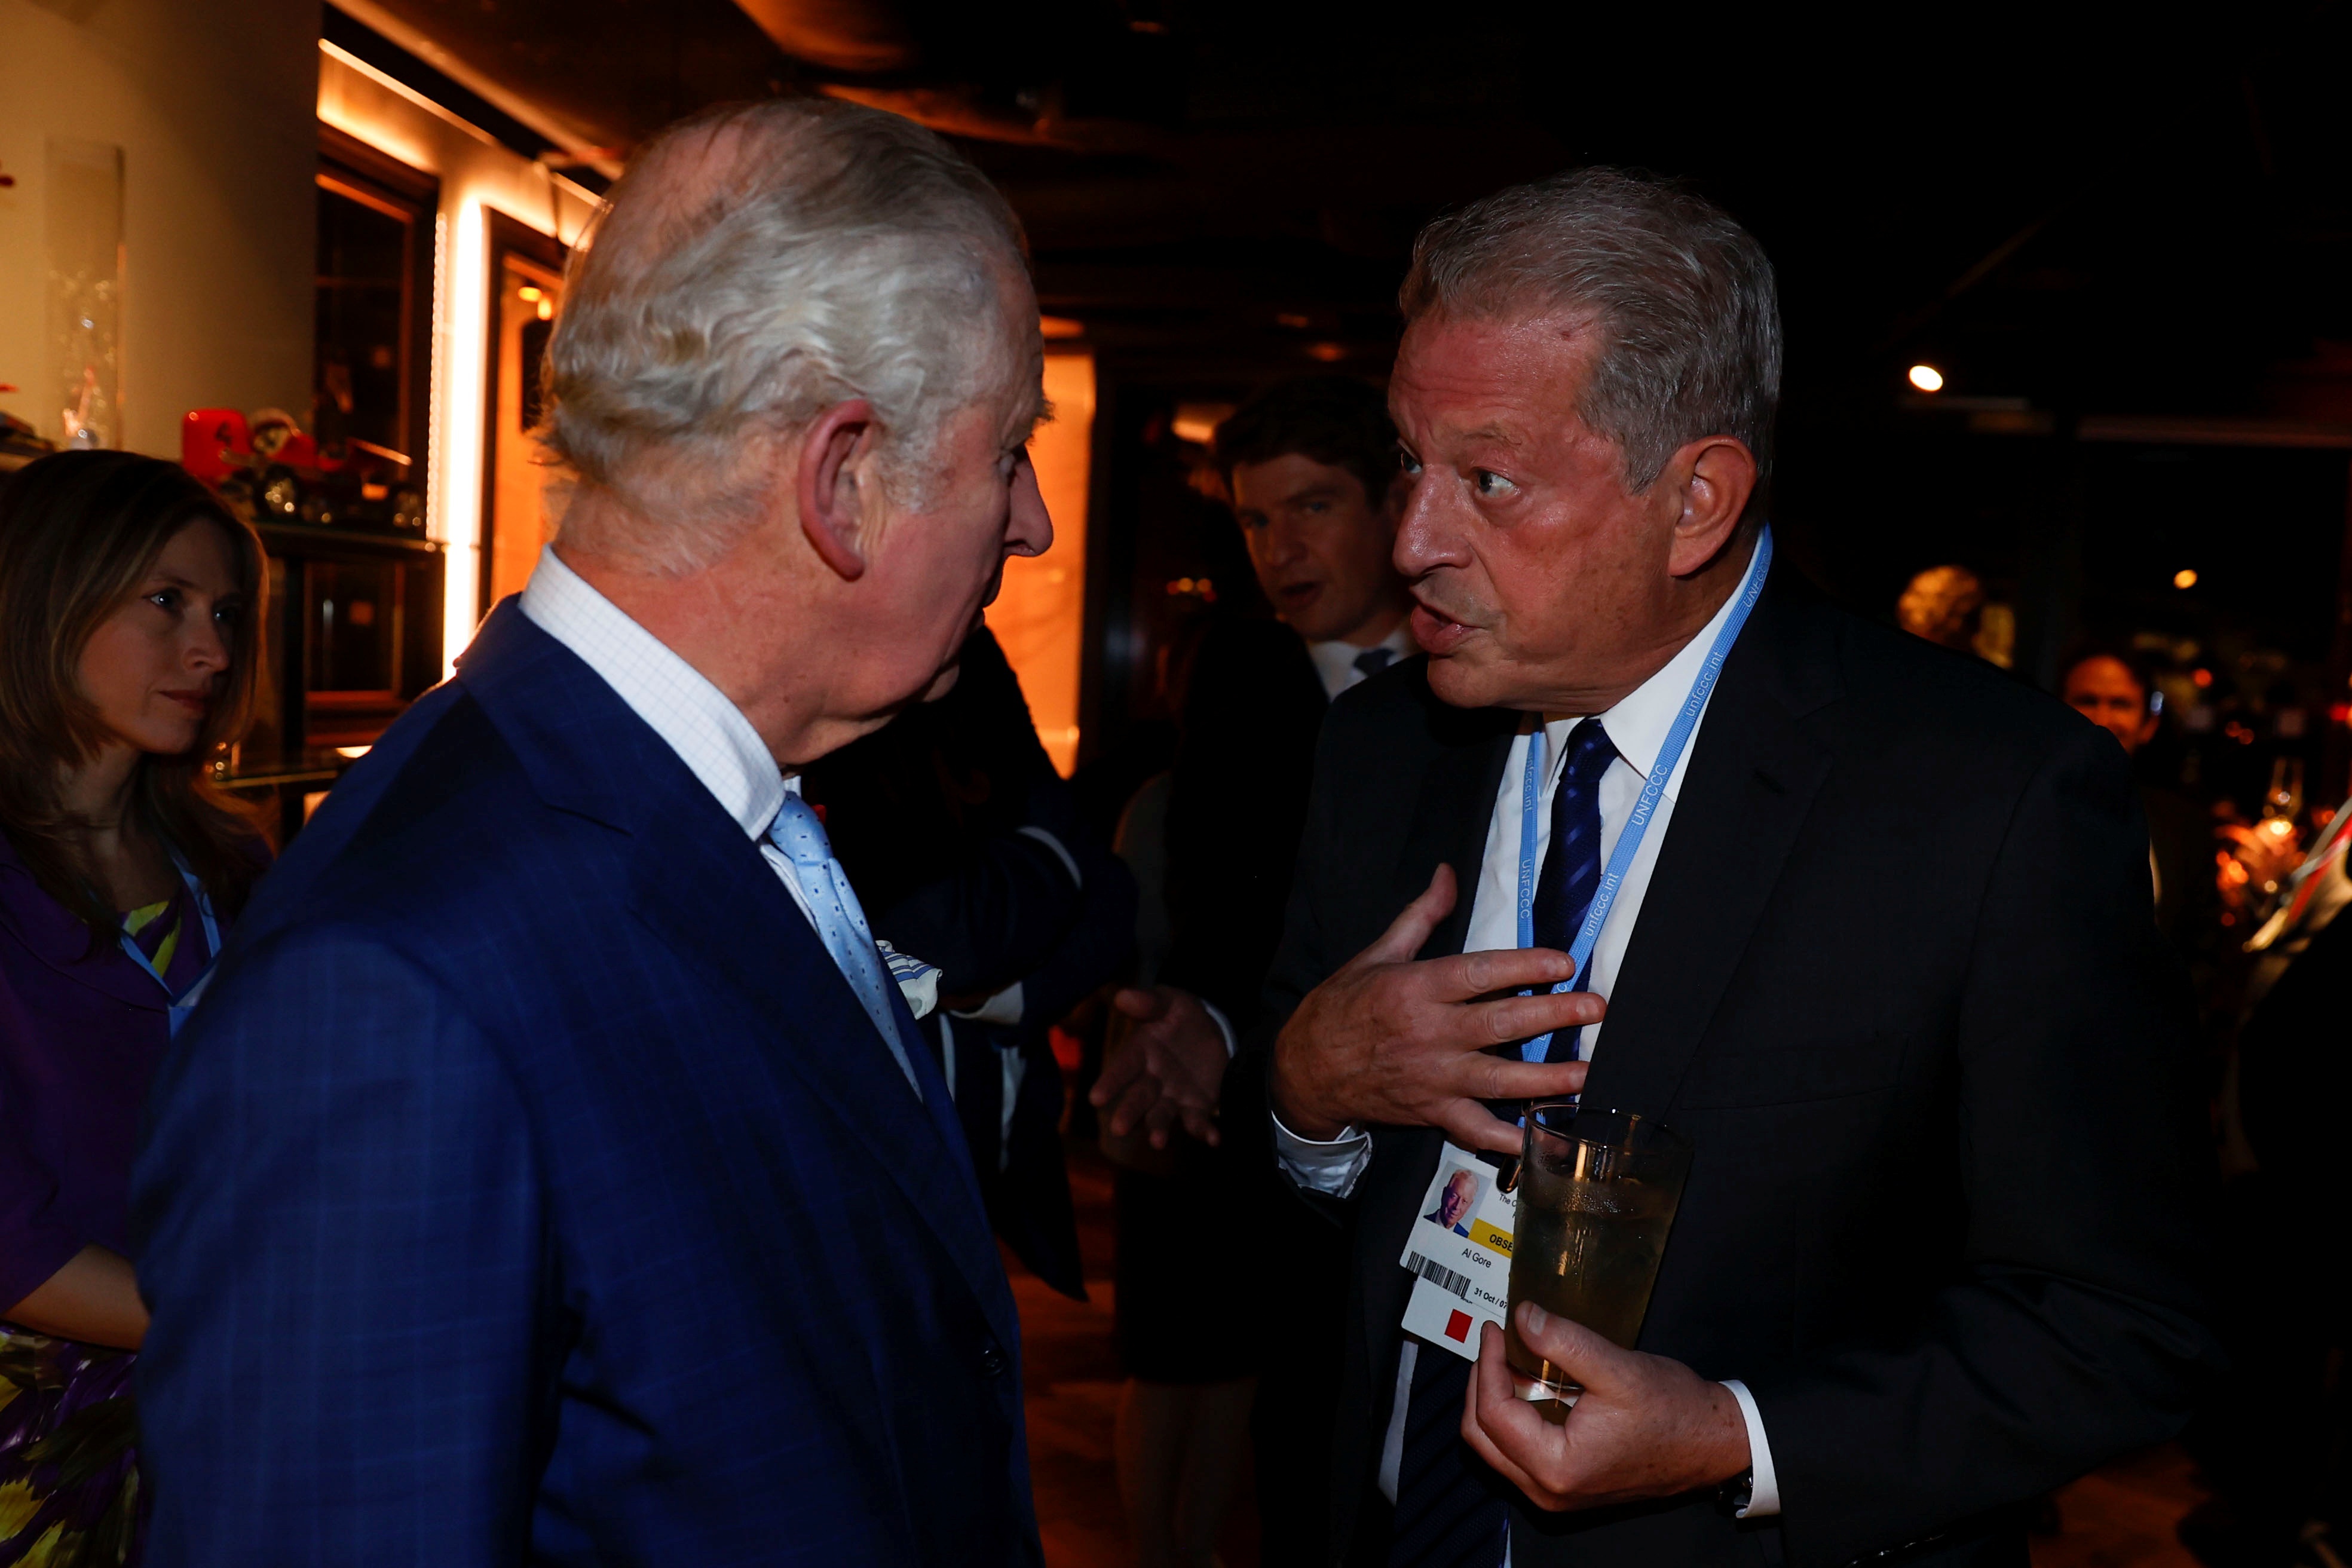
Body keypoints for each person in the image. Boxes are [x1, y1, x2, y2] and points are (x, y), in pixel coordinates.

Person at [1114, 168, 2218, 1567]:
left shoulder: (1981, 798)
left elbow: (2114, 1323)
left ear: (1694, 497)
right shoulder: (1382, 744)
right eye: (1408, 461)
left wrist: (1735, 1432)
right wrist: (1305, 1088)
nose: (1412, 542)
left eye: (1488, 480)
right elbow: (1300, 1224)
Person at [130, 100, 1055, 1566]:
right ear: (842, 480)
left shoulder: (705, 807)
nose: (1034, 521)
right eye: (1007, 448)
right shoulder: (395, 985)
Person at [1094, 376, 1416, 1567]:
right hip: (1254, 1111)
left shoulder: (1483, 667)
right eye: (1255, 520)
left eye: (1313, 508)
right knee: (1227, 1384)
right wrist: (1207, 1023)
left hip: (1434, 1135)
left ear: (1395, 503)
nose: (1281, 549)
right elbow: (1223, 897)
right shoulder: (1242, 678)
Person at [0, 451, 268, 1566]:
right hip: (34, 1445)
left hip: (209, 1405)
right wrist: (263, 1316)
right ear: (45, 594)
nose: (209, 649)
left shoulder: (234, 860)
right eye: (166, 601)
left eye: (223, 612)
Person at [2059, 644, 2213, 954]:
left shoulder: (2184, 825)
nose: (2102, 719)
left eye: (2121, 704)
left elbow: (2201, 944)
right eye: (2087, 701)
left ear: (2149, 725)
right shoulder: (2016, 811)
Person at [1425, 1170, 1479, 1236]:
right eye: (1454, 1196)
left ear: (1469, 1206)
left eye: (1464, 1201)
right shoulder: (1421, 1222)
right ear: (1444, 1194)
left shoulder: (1466, 1237)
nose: (1457, 1206)